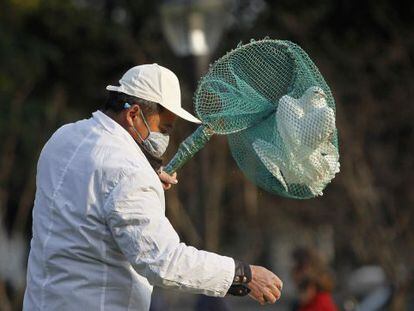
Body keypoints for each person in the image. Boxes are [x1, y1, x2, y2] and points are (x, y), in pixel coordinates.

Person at [23, 64, 283, 310]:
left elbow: (92, 191)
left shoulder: (63, 138)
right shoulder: (128, 171)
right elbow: (162, 261)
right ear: (133, 113)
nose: (165, 138)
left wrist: (143, 179)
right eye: (164, 128)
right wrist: (242, 275)